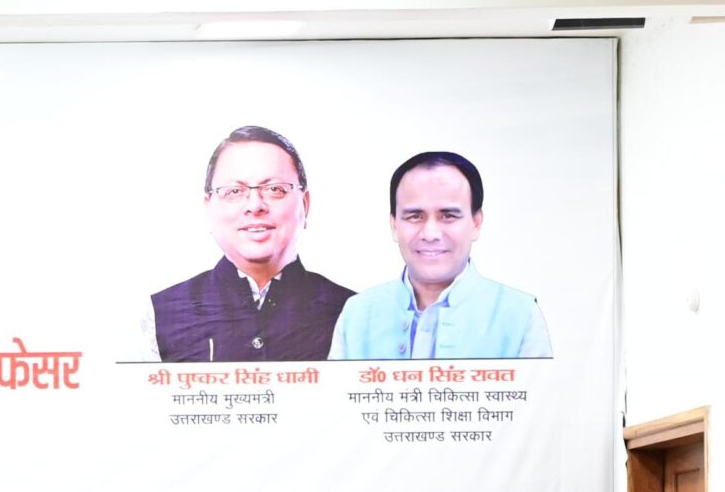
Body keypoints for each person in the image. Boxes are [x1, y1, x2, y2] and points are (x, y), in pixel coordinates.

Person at [144, 124, 353, 361]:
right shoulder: (159, 315)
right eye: (234, 191)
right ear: (209, 207)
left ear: (305, 205)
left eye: (275, 189)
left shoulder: (352, 313)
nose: (255, 205)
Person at [331, 152, 550, 360]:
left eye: (448, 216)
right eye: (414, 216)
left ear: (476, 223)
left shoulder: (521, 315)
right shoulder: (357, 314)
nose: (430, 234)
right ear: (394, 225)